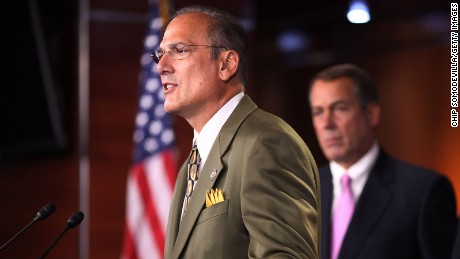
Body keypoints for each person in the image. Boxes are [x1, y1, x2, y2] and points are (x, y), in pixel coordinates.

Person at [154, 5, 321, 259]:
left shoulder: (266, 144)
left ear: (226, 64)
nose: (161, 66)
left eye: (179, 51)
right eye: (160, 54)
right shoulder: (189, 167)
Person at [308, 63, 457, 259]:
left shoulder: (422, 191)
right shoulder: (304, 189)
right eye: (318, 112)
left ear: (371, 114)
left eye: (340, 108)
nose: (326, 123)